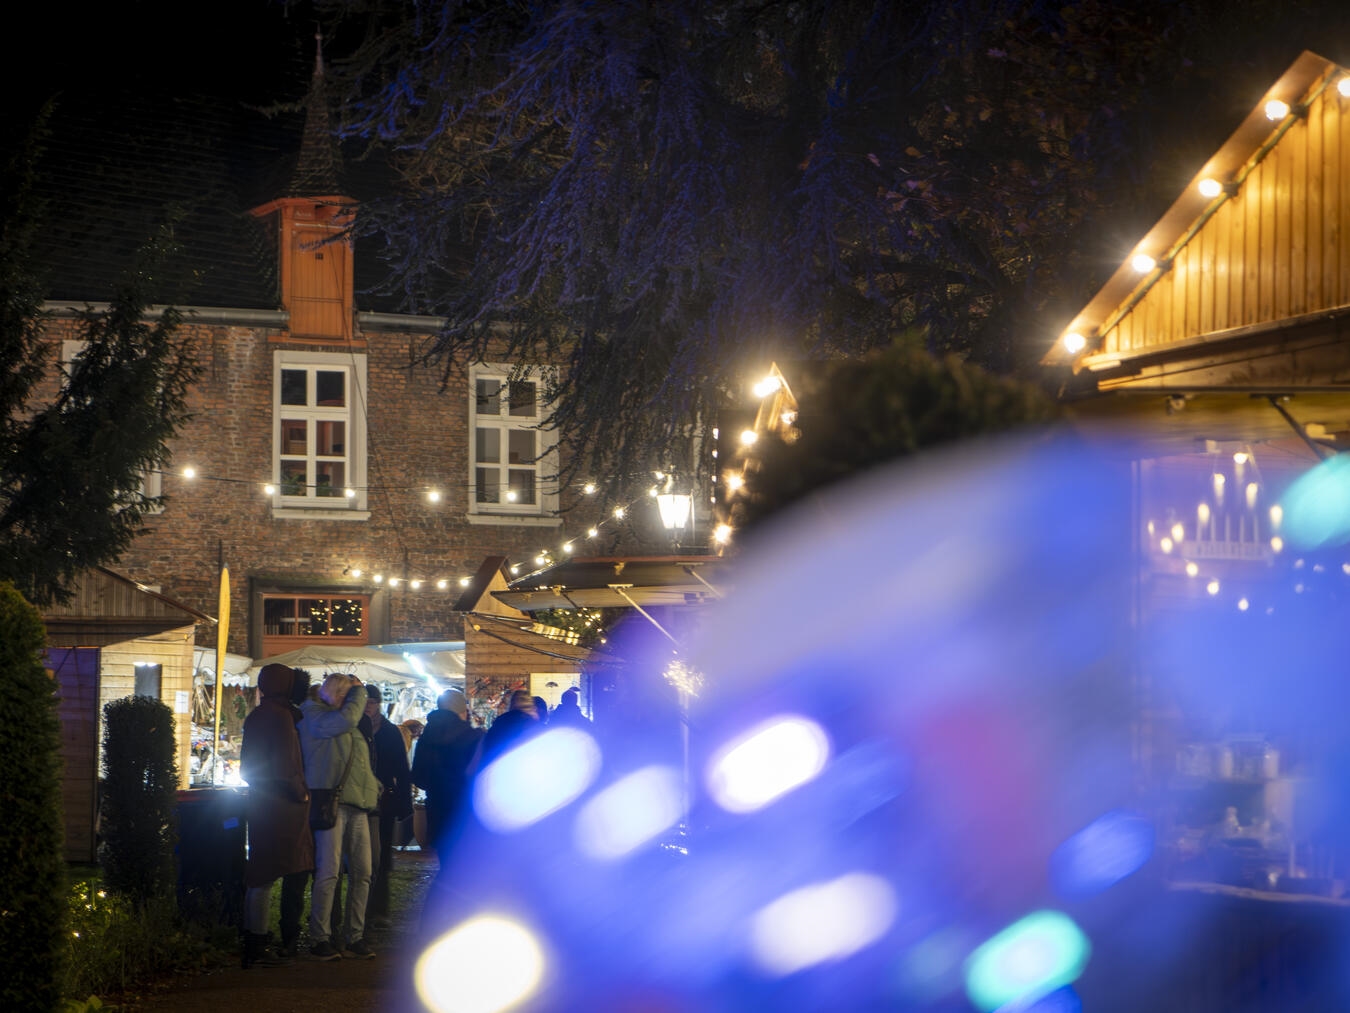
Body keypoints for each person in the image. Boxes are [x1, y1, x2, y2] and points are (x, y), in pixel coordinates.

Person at [298, 672, 381, 961]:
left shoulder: (340, 722)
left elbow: (360, 765)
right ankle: (319, 937)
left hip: (357, 804)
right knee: (328, 872)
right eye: (347, 696)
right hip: (332, 804)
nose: (352, 703)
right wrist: (360, 693)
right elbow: (346, 722)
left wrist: (373, 790)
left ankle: (353, 935)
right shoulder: (316, 719)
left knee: (363, 873)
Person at [239, 663, 313, 969]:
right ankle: (260, 939)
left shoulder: (259, 714)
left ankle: (254, 938)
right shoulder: (281, 717)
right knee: (274, 873)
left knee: (262, 873)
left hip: (262, 802)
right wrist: (301, 793)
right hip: (283, 806)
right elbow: (286, 764)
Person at [411, 688, 483, 868]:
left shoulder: (426, 738)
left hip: (437, 809)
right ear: (462, 711)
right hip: (466, 812)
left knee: (445, 866)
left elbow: (419, 777)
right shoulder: (474, 737)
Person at [364, 684, 413, 927]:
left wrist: (405, 803)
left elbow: (402, 770)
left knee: (381, 855)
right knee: (362, 857)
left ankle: (378, 909)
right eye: (364, 703)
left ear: (378, 704)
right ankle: (362, 909)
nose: (367, 707)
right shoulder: (355, 730)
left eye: (371, 703)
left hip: (383, 801)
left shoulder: (390, 732)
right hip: (361, 799)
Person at [276, 667, 313, 959]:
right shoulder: (298, 719)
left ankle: (289, 934)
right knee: (300, 872)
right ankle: (294, 933)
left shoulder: (283, 716)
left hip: (284, 802)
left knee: (293, 874)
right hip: (303, 800)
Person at [473, 689, 543, 771]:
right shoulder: (535, 728)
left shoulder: (498, 724)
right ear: (532, 708)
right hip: (526, 775)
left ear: (511, 705)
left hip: (496, 773)